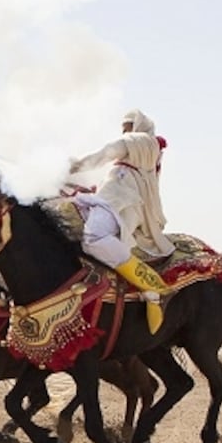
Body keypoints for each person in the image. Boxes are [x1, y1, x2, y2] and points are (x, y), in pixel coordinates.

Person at [69, 109, 175, 333]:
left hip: (122, 204)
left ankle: (152, 285)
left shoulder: (139, 141)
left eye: (127, 126)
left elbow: (106, 153)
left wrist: (76, 164)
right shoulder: (141, 153)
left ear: (136, 126)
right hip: (113, 201)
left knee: (93, 238)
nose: (124, 131)